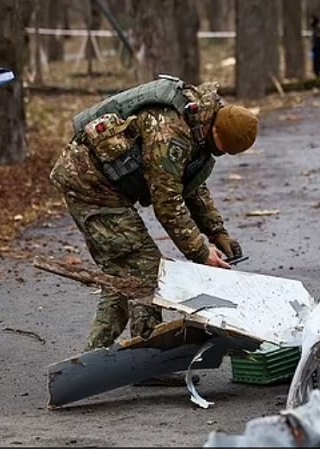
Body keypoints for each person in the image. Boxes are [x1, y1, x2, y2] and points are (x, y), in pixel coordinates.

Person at [49, 75, 258, 386]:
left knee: (126, 275)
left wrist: (217, 232)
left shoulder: (199, 121)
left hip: (108, 188)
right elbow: (168, 202)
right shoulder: (171, 131)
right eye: (220, 148)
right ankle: (135, 361)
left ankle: (105, 361)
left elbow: (190, 183)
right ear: (215, 129)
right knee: (145, 269)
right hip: (89, 186)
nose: (218, 154)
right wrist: (201, 252)